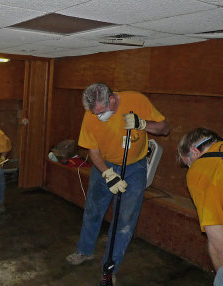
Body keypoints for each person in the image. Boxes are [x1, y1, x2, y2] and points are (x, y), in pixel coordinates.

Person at [66, 83, 170, 283]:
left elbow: (165, 129)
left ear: (112, 99)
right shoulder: (90, 115)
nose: (98, 117)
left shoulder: (137, 100)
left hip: (134, 167)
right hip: (104, 165)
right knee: (93, 210)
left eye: (101, 112)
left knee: (125, 220)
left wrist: (142, 124)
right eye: (94, 113)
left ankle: (110, 267)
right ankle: (85, 250)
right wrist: (107, 174)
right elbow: (92, 150)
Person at [177, 128, 223, 286]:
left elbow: (216, 234)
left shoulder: (199, 170)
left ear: (194, 151)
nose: (190, 167)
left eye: (188, 163)